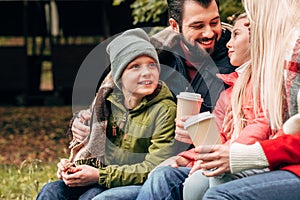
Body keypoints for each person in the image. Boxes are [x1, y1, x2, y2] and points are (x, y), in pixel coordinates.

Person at [135, 12, 275, 200]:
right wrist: (185, 158)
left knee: (197, 180)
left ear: (257, 38)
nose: (228, 44)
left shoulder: (268, 81)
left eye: (236, 34)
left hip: (249, 161)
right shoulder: (230, 91)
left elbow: (262, 124)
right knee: (162, 174)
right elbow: (216, 138)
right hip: (221, 160)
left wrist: (224, 153)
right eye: (134, 67)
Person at [36, 28, 177, 200]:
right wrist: (71, 168)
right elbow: (88, 151)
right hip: (100, 175)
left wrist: (100, 175)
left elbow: (155, 166)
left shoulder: (164, 109)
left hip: (133, 183)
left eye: (152, 65)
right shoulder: (106, 102)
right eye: (135, 66)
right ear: (119, 75)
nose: (147, 72)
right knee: (51, 191)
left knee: (91, 196)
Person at [71, 0, 236, 146]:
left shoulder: (239, 60)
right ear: (174, 26)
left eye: (214, 22)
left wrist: (206, 135)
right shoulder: (157, 58)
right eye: (198, 26)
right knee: (56, 183)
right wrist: (86, 122)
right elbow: (118, 104)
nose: (209, 33)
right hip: (149, 159)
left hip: (201, 163)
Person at [191, 0, 300, 199]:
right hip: (277, 156)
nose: (210, 34)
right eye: (197, 26)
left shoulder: (289, 55)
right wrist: (187, 153)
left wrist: (236, 153)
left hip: (284, 161)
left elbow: (265, 124)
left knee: (215, 189)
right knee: (166, 176)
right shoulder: (234, 84)